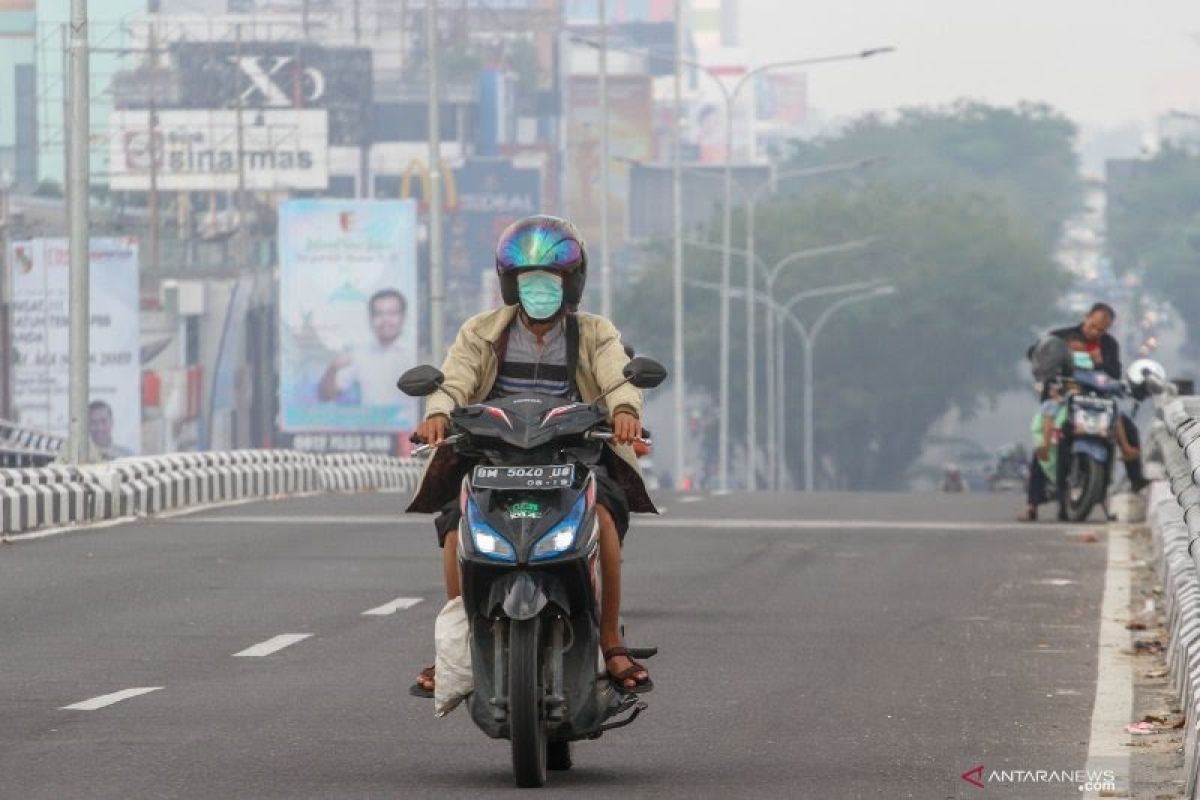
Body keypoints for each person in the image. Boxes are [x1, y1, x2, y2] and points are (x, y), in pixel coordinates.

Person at [406, 215, 655, 695]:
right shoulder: (479, 332)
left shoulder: (595, 332)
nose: (540, 290)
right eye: (529, 281)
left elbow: (617, 375)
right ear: (510, 285)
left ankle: (609, 642)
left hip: (573, 456)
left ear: (571, 283)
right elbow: (453, 380)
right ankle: (457, 648)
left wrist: (624, 409)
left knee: (601, 517)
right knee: (456, 529)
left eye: (550, 280)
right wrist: (438, 413)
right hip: (494, 458)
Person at [1032, 302, 1147, 485]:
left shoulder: (1109, 345)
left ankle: (1137, 481)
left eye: (1101, 330)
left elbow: (1114, 374)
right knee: (1048, 435)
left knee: (1128, 427)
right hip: (1065, 397)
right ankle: (1033, 502)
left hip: (1098, 401)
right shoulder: (1061, 336)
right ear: (1086, 317)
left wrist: (1098, 361)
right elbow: (1037, 354)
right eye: (1092, 326)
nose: (1094, 333)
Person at [318, 288, 409, 406]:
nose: (385, 320)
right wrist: (333, 368)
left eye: (392, 313)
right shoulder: (360, 354)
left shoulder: (416, 352)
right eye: (379, 314)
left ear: (403, 316)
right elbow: (326, 395)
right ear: (370, 319)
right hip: (372, 424)